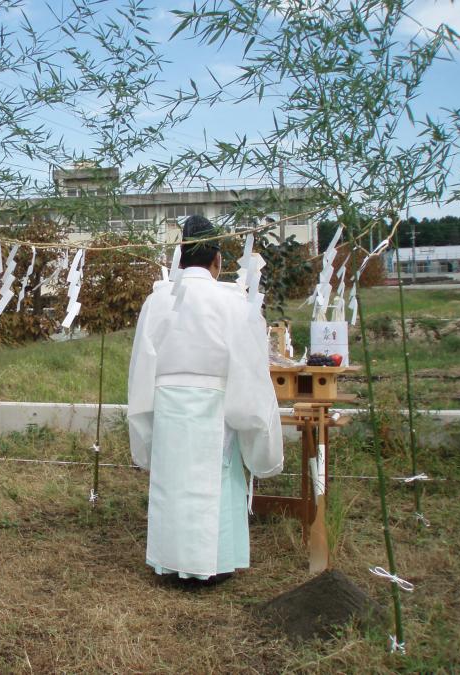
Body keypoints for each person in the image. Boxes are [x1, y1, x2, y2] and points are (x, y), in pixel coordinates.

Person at [128, 215, 283, 584]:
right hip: (215, 405)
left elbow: (141, 367)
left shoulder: (158, 301)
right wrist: (256, 429)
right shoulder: (232, 303)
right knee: (217, 478)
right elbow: (249, 369)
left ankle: (169, 561)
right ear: (217, 260)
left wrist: (144, 429)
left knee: (171, 480)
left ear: (180, 258)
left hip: (167, 403)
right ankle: (215, 562)